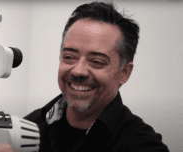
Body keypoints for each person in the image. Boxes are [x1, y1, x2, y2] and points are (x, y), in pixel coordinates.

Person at [23, 1, 169, 152]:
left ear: (124, 73)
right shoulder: (29, 127)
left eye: (97, 61)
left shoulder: (143, 145)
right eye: (69, 57)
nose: (78, 71)